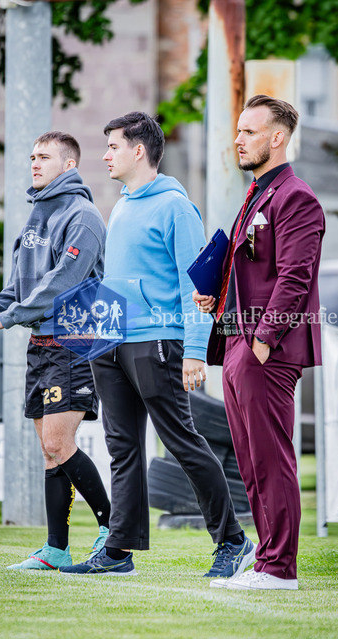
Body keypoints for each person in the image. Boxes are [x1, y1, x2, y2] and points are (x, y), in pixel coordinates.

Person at [59, 111, 255, 577]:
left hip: (159, 342)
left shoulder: (176, 208)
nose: (106, 155)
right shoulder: (123, 205)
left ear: (139, 150)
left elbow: (199, 288)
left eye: (113, 147)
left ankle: (233, 541)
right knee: (122, 447)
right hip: (112, 341)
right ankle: (118, 550)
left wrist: (194, 350)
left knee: (181, 441)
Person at [194, 95, 325, 590]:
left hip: (265, 349)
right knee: (251, 462)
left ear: (277, 137)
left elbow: (295, 278)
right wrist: (218, 297)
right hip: (236, 342)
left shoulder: (296, 198)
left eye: (249, 131)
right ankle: (267, 558)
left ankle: (279, 569)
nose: (238, 139)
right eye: (239, 130)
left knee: (271, 459)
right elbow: (253, 268)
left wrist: (263, 341)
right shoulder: (256, 193)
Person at [0, 131, 110, 570]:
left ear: (69, 165)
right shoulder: (35, 216)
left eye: (44, 157)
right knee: (49, 450)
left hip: (74, 343)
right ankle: (56, 550)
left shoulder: (83, 216)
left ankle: (114, 530)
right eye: (32, 156)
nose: (34, 163)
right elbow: (19, 290)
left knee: (58, 441)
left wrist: (8, 317)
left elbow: (62, 284)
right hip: (40, 346)